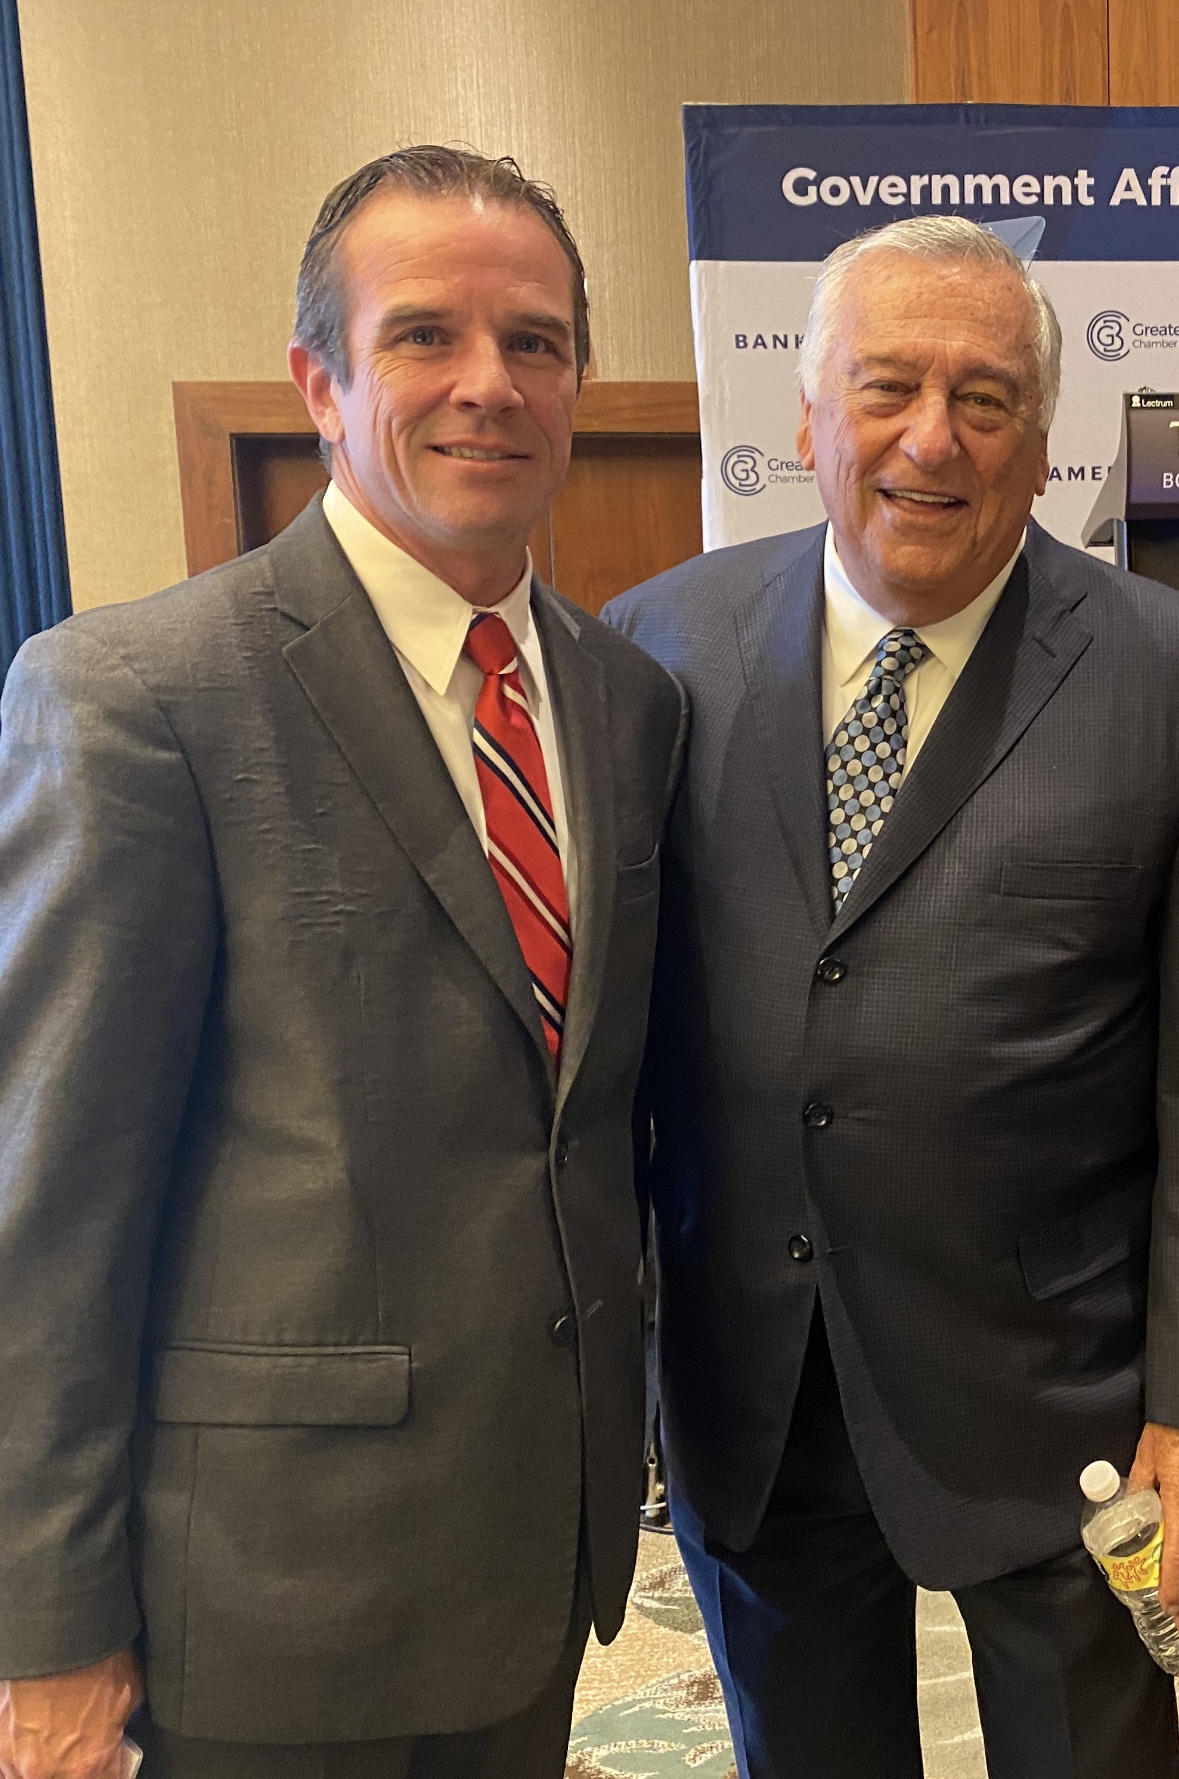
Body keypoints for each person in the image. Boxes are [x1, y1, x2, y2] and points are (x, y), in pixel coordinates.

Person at [0, 145, 685, 1779]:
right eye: (423, 335)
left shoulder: (625, 701)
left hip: (535, 1548)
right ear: (319, 381)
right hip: (264, 1596)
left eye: (534, 341)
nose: (488, 384)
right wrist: (45, 1625)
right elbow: (48, 1210)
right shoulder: (138, 696)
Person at [603, 215, 1179, 1778]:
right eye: (888, 387)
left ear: (1041, 446)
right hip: (753, 1393)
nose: (933, 438)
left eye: (985, 398)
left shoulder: (1161, 677)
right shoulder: (656, 649)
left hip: (1061, 1401)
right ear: (808, 417)